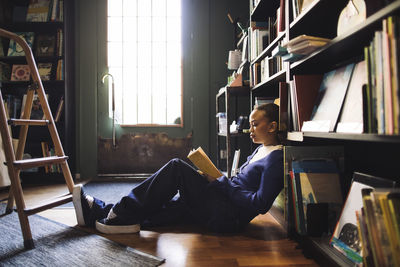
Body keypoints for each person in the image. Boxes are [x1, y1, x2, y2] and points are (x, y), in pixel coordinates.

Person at [72, 103, 284, 234]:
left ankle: (117, 213)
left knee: (176, 168)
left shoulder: (276, 158)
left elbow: (261, 204)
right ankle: (99, 212)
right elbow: (239, 185)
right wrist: (213, 178)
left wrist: (220, 182)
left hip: (228, 217)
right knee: (170, 206)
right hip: (221, 200)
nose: (251, 129)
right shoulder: (261, 150)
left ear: (272, 126)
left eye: (255, 124)